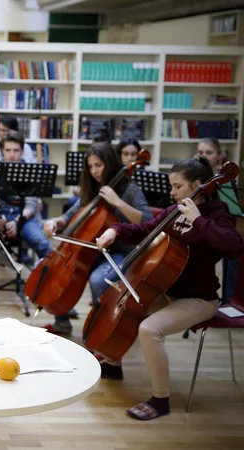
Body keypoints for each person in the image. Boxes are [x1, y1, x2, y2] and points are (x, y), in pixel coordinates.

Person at [95, 155, 244, 420]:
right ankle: (113, 364)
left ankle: (160, 400)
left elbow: (234, 245)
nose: (171, 192)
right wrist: (116, 231)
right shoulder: (174, 211)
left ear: (197, 184)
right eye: (171, 186)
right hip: (167, 289)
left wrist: (198, 220)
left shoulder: (216, 214)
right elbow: (145, 229)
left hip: (199, 299)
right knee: (129, 304)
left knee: (149, 329)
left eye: (177, 186)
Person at [41, 143, 152, 335]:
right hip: (92, 249)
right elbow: (71, 214)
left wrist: (116, 201)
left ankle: (101, 331)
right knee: (52, 270)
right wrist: (55, 221)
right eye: (91, 166)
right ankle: (62, 322)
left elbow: (148, 220)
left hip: (120, 251)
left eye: (98, 165)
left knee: (99, 279)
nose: (94, 171)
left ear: (109, 163)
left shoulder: (130, 188)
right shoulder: (92, 187)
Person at [0, 130, 51, 264]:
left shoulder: (30, 170)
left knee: (43, 244)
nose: (12, 155)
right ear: (2, 150)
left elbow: (32, 204)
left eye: (16, 150)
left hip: (23, 218)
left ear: (22, 151)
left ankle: (45, 281)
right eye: (8, 150)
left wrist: (17, 222)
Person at [197, 137, 240, 301]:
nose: (204, 156)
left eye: (209, 152)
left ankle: (229, 300)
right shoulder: (195, 178)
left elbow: (231, 214)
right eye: (200, 152)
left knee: (232, 252)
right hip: (198, 227)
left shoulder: (224, 182)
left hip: (217, 228)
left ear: (219, 155)